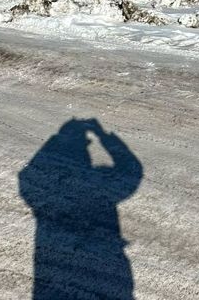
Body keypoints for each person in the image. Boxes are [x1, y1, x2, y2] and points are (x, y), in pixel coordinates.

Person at [19, 118, 143, 299]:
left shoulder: (45, 191)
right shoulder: (102, 192)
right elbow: (132, 173)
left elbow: (26, 179)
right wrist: (104, 137)